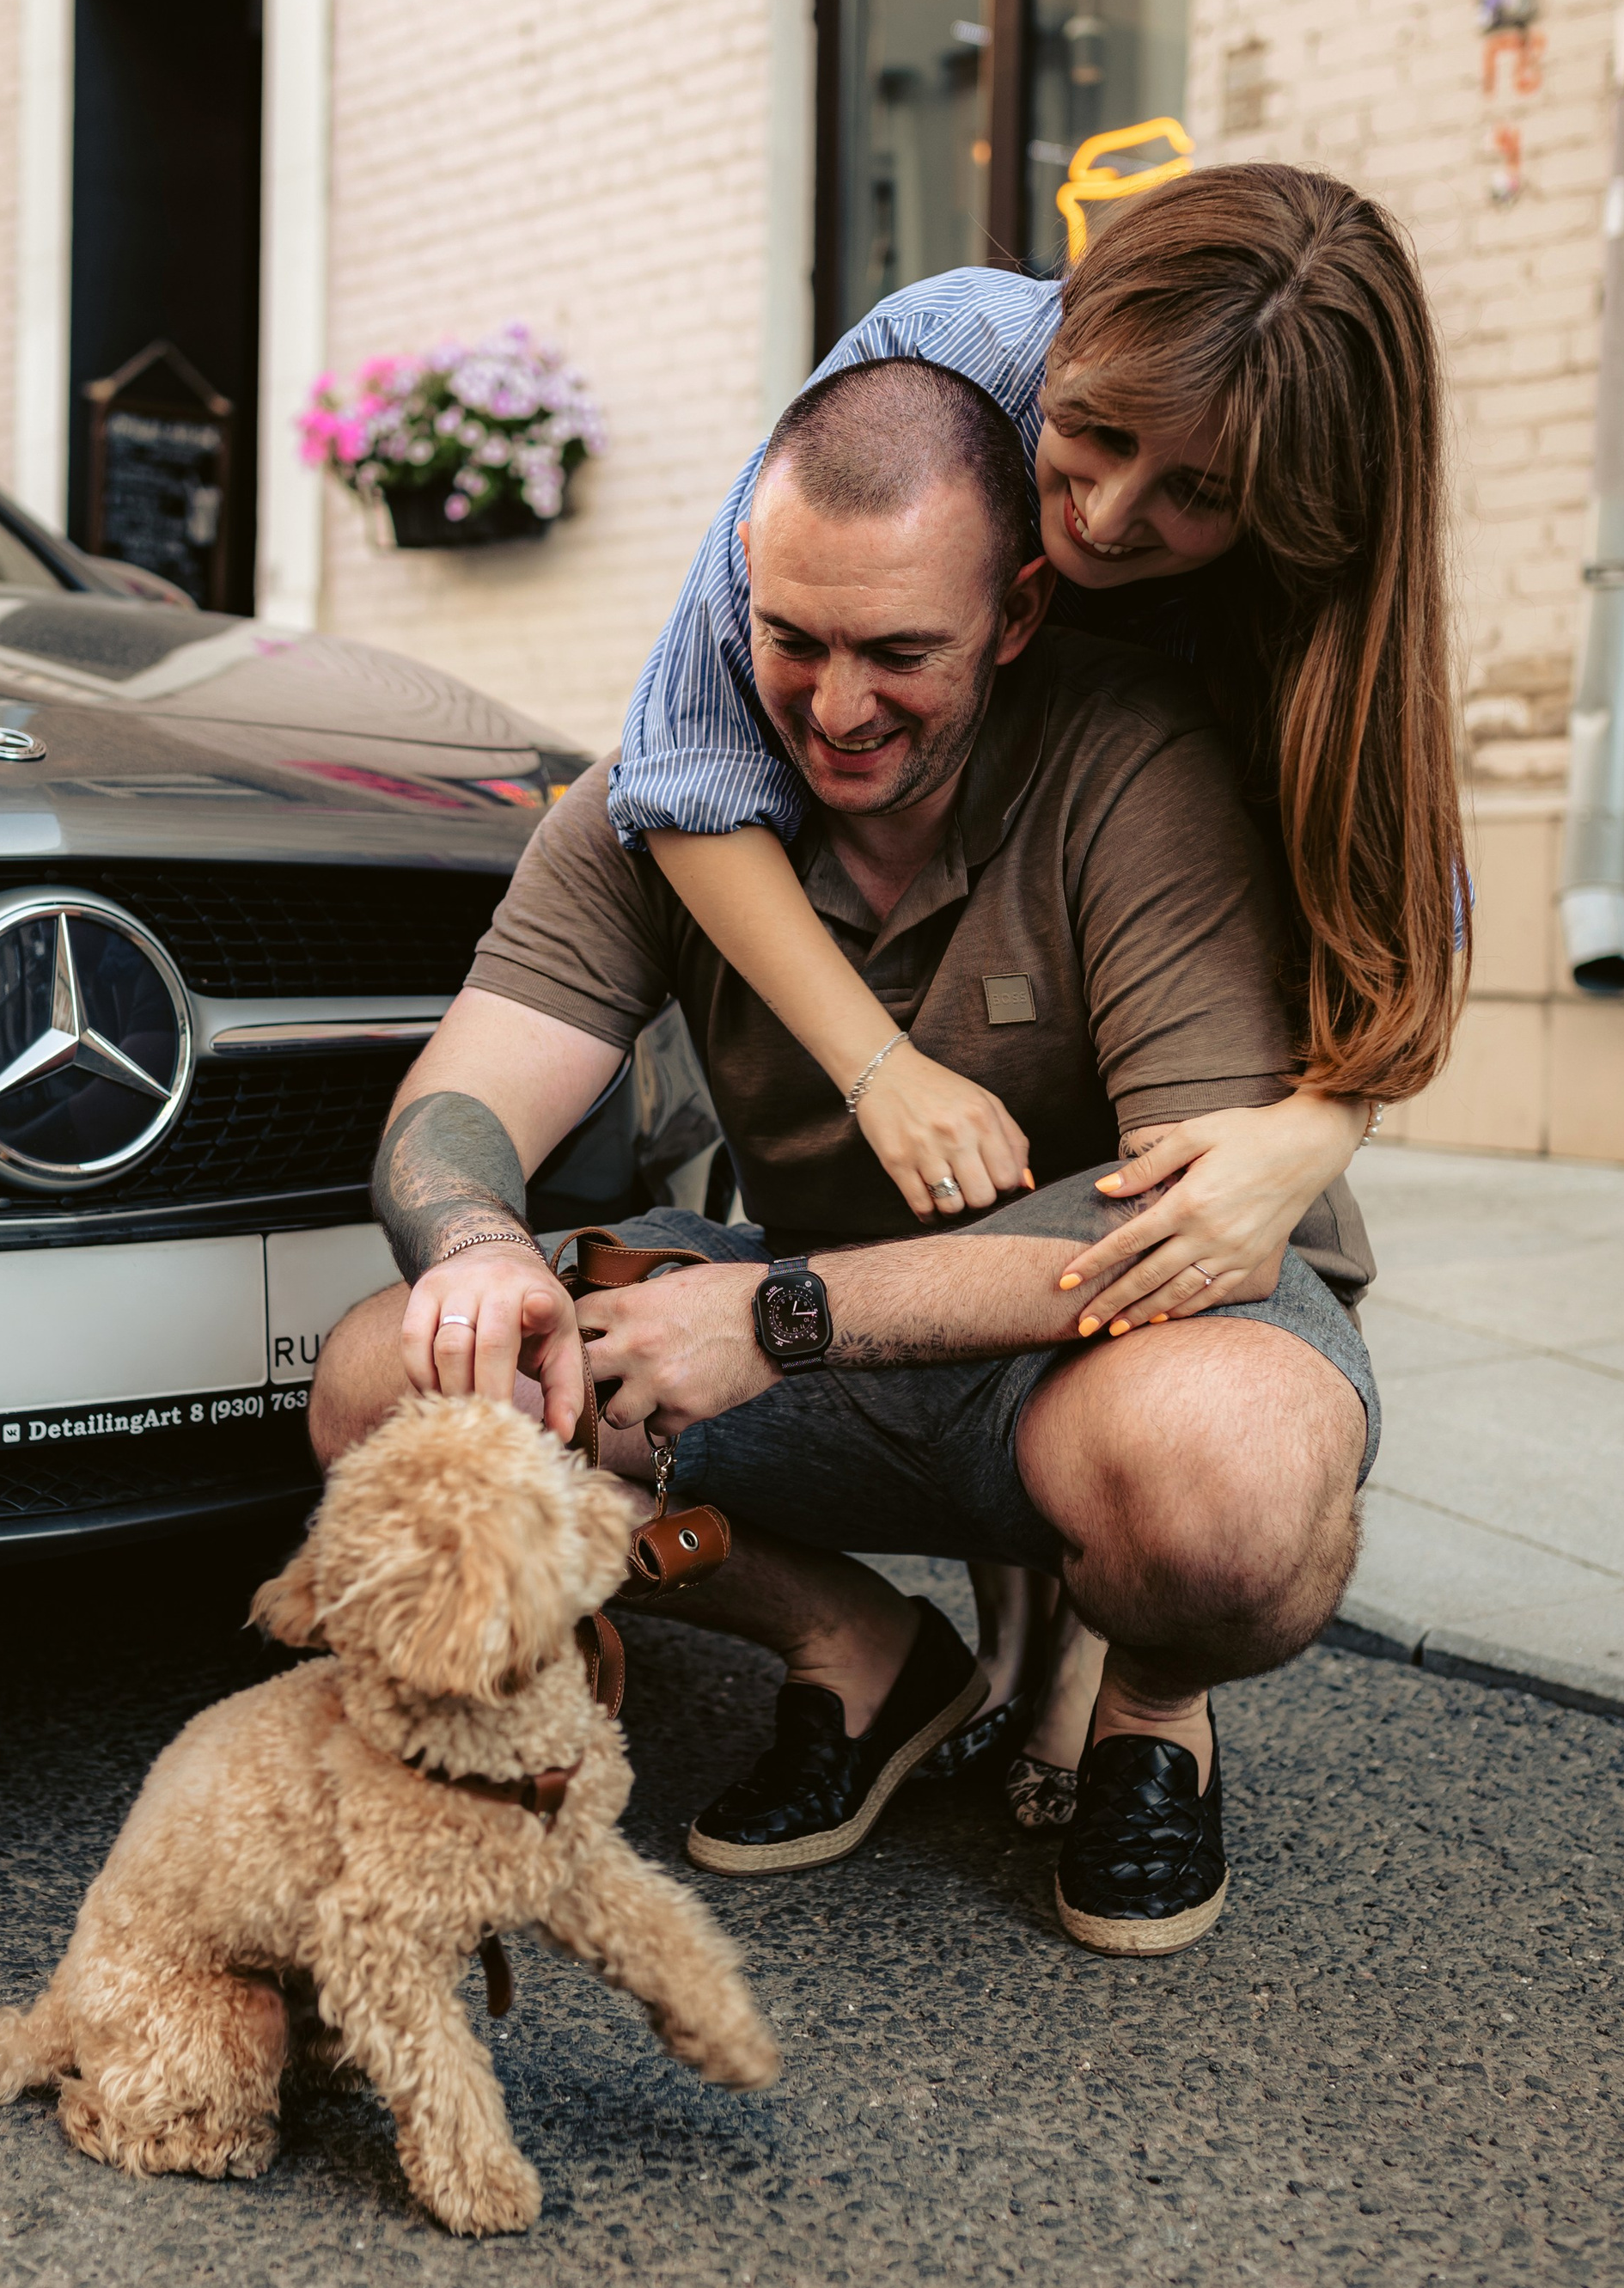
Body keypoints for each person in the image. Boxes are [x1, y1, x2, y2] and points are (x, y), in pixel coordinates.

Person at [312, 354, 1381, 1959]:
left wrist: (776, 1315)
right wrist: (474, 1243)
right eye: (792, 639)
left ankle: (1152, 1706)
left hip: (1100, 1350)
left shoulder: (1134, 763)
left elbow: (1182, 1231)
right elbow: (459, 1102)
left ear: (1015, 616)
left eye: (901, 653)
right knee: (387, 1388)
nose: (836, 703)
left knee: (1234, 1471)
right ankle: (863, 1647)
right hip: (803, 1338)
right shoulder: (664, 799)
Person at [605, 165, 1466, 1822]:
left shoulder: (1315, 593)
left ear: (1302, 506)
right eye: (1099, 433)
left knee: (1174, 1349)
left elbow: (1400, 912)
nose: (1115, 514)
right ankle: (977, 1640)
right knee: (969, 1135)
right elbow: (684, 765)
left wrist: (1309, 1132)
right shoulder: (938, 360)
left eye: (1199, 491)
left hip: (1166, 1012)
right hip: (966, 957)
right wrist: (874, 1071)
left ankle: (1126, 1670)